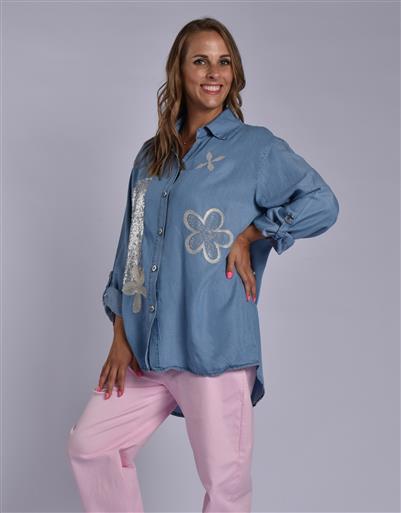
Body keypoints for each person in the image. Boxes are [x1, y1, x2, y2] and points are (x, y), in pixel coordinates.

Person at [67, 17, 339, 513]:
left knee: (224, 485)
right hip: (147, 347)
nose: (214, 73)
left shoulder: (256, 148)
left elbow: (323, 203)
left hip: (215, 344)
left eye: (224, 61)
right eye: (201, 61)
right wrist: (120, 334)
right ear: (179, 70)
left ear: (235, 72)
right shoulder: (151, 156)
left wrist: (255, 233)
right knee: (91, 445)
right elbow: (131, 247)